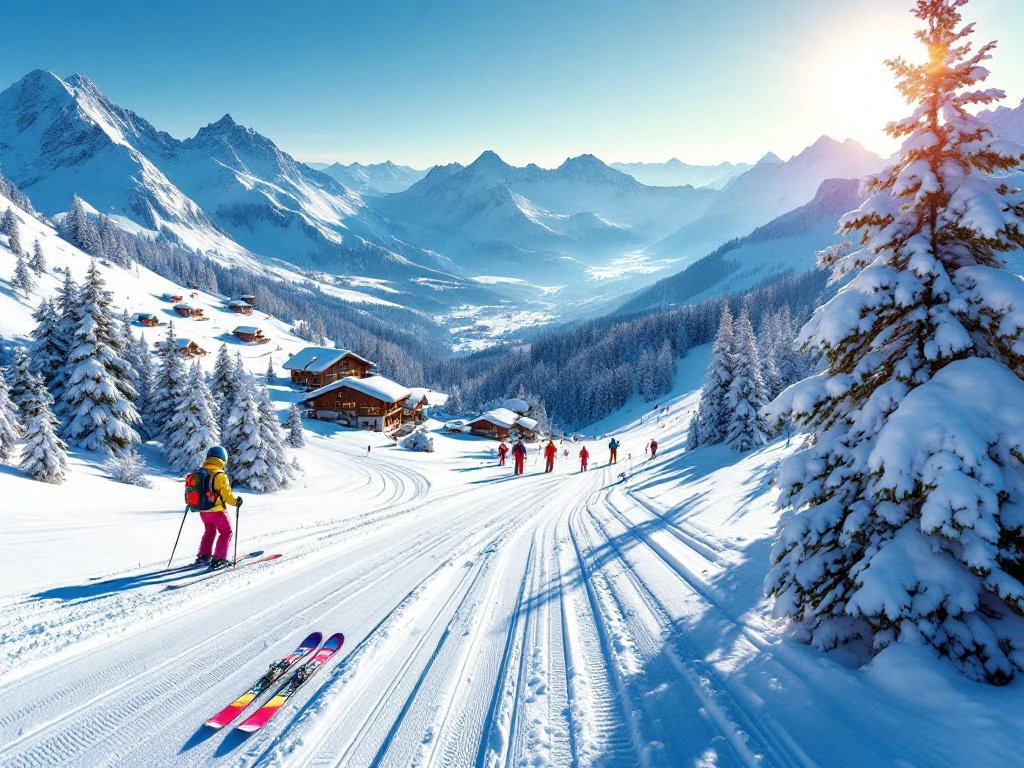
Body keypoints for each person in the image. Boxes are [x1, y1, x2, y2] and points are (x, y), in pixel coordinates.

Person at [194, 446, 241, 570]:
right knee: (226, 532)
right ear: (223, 458)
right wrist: (236, 502)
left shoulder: (200, 471)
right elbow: (227, 496)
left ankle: (203, 556)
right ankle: (219, 559)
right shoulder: (220, 474)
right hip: (217, 511)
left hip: (203, 510)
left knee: (209, 532)